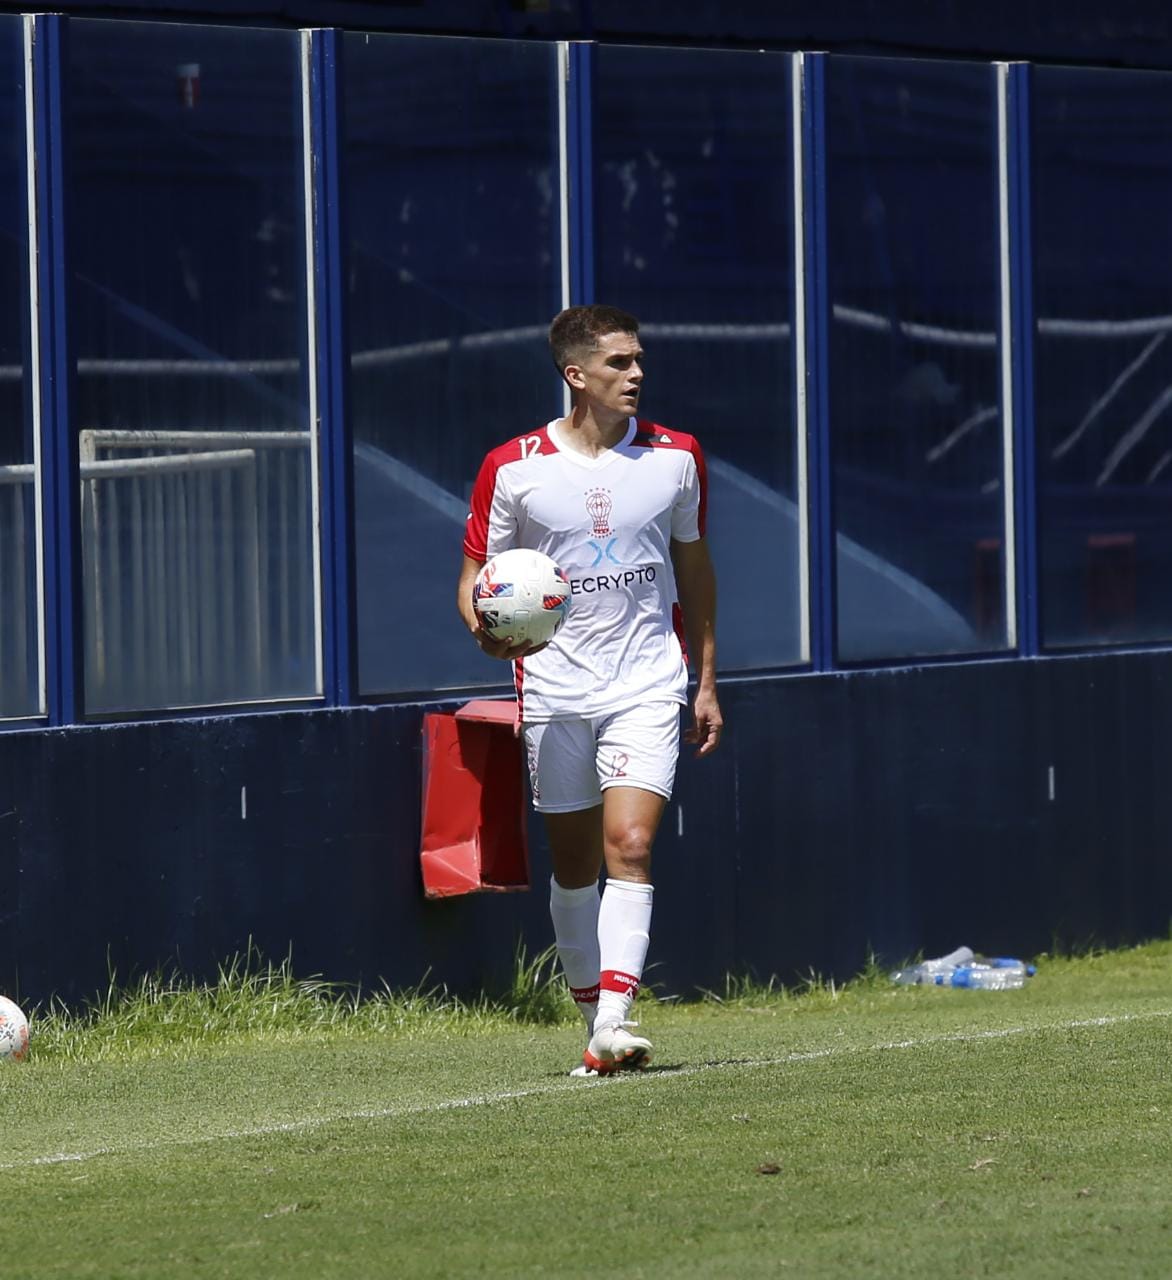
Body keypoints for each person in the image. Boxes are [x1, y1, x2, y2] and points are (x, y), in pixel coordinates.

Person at [457, 304, 722, 1076]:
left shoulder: (676, 457)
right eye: (618, 363)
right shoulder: (512, 467)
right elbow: (476, 580)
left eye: (638, 360)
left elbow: (696, 570)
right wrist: (486, 629)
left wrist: (704, 679)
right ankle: (592, 1024)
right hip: (555, 689)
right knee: (574, 869)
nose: (636, 374)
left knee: (630, 847)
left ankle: (615, 1017)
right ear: (576, 374)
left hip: (647, 680)